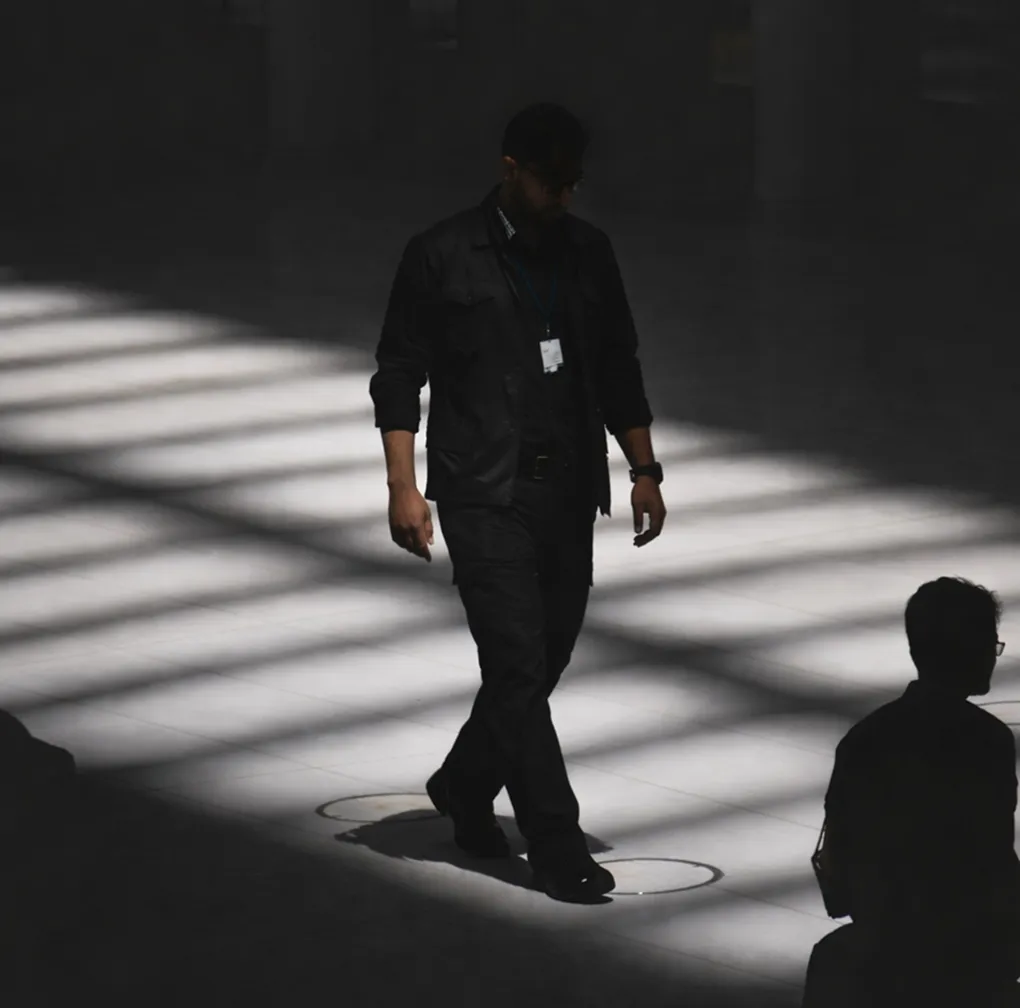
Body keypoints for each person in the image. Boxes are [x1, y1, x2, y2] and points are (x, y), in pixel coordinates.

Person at [369, 103, 666, 901]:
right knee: (516, 660)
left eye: (574, 182)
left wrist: (645, 468)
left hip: (567, 491)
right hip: (479, 489)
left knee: (543, 661)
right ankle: (556, 840)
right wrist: (403, 486)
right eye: (551, 181)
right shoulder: (440, 254)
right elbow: (398, 373)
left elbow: (617, 365)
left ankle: (466, 784)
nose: (565, 197)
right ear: (511, 169)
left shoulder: (589, 254)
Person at [803, 576, 1020, 1006]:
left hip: (881, 950)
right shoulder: (986, 741)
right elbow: (992, 860)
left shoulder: (863, 739)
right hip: (965, 959)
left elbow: (841, 863)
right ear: (972, 650)